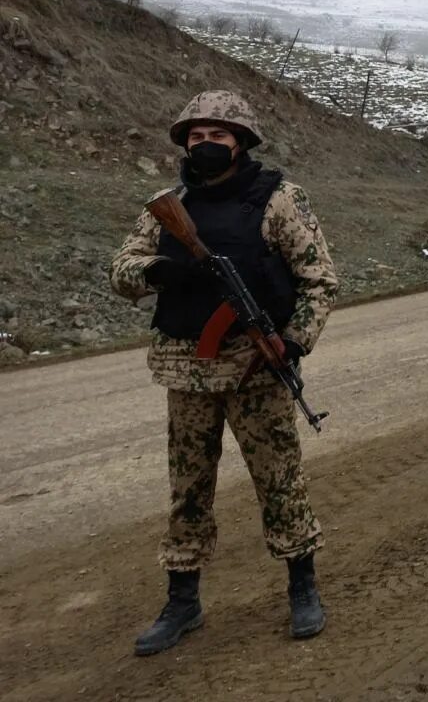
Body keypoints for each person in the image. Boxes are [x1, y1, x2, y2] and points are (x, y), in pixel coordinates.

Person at [110, 90, 339, 655]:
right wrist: (162, 271)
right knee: (188, 490)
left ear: (241, 143)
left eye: (219, 136)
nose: (206, 145)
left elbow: (319, 281)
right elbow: (122, 269)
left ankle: (302, 586)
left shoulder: (280, 200)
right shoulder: (167, 206)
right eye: (197, 137)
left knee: (279, 483)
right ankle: (182, 601)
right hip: (186, 372)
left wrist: (292, 342)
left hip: (256, 372)